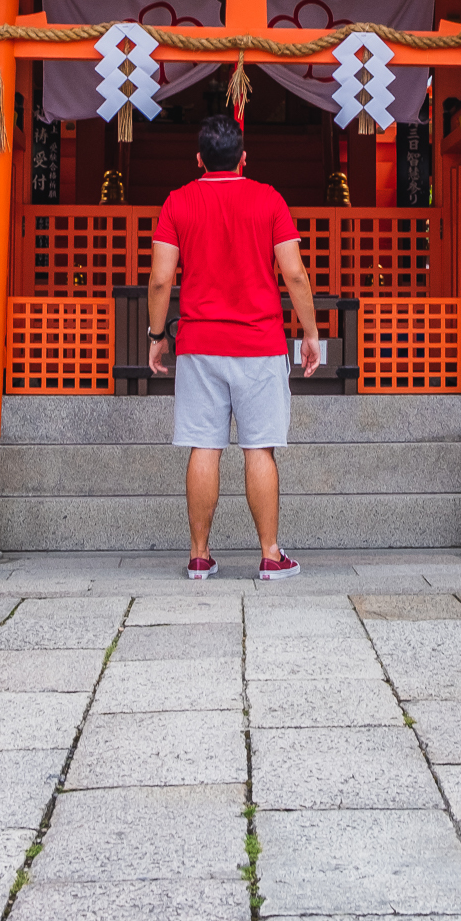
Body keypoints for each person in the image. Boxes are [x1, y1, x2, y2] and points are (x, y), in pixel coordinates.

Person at [147, 114, 322, 580]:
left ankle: (200, 556)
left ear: (199, 159)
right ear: (244, 158)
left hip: (200, 342)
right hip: (259, 342)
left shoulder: (177, 202)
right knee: (259, 448)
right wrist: (309, 332)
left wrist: (156, 334)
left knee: (204, 446)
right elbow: (295, 273)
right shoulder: (269, 199)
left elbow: (162, 278)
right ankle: (269, 554)